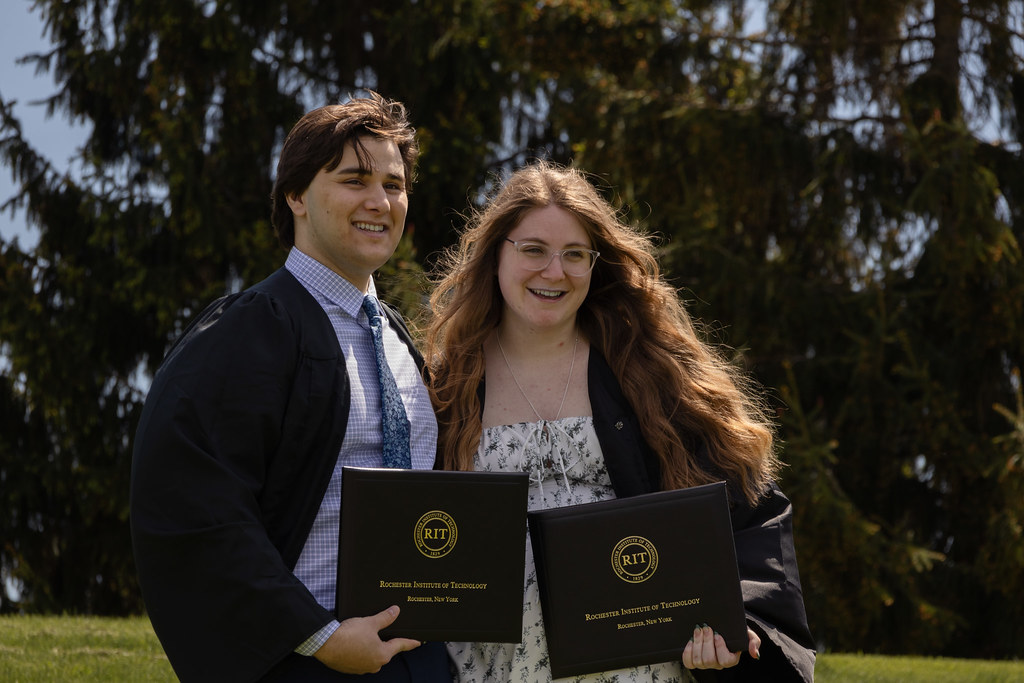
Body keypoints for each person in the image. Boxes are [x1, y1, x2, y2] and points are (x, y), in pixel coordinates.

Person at [423, 160, 816, 682]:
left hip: (636, 666)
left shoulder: (648, 372)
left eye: (574, 255)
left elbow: (750, 507)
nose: (554, 271)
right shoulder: (442, 388)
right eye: (533, 250)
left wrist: (739, 621)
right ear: (496, 253)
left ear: (595, 265)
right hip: (490, 667)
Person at [130, 93, 451, 682]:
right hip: (307, 658)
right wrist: (317, 635)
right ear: (296, 196)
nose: (380, 202)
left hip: (418, 656)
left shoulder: (403, 343)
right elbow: (194, 499)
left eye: (394, 184)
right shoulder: (254, 328)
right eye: (354, 179)